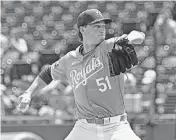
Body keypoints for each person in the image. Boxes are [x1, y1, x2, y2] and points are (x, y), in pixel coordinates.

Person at [17, 9, 142, 140]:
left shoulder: (108, 47)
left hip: (116, 127)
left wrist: (129, 38)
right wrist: (28, 93)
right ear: (82, 29)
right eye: (96, 26)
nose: (102, 30)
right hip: (85, 128)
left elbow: (138, 35)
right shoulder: (69, 59)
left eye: (103, 26)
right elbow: (47, 74)